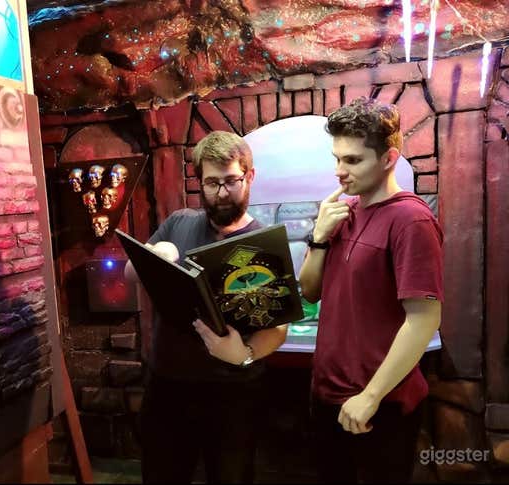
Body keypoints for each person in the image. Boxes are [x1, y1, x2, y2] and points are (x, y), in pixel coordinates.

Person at [124, 130, 288, 483]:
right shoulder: (178, 222)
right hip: (168, 387)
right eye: (212, 183)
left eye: (231, 181)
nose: (222, 193)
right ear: (200, 181)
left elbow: (277, 328)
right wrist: (153, 256)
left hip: (233, 393)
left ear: (249, 176)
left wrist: (244, 354)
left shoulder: (263, 244)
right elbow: (129, 273)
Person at [298, 97, 443, 483]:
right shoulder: (343, 212)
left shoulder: (411, 220)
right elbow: (310, 292)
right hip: (327, 394)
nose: (339, 172)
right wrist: (319, 237)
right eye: (337, 158)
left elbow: (424, 319)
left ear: (388, 158)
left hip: (380, 403)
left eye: (352, 160)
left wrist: (371, 396)